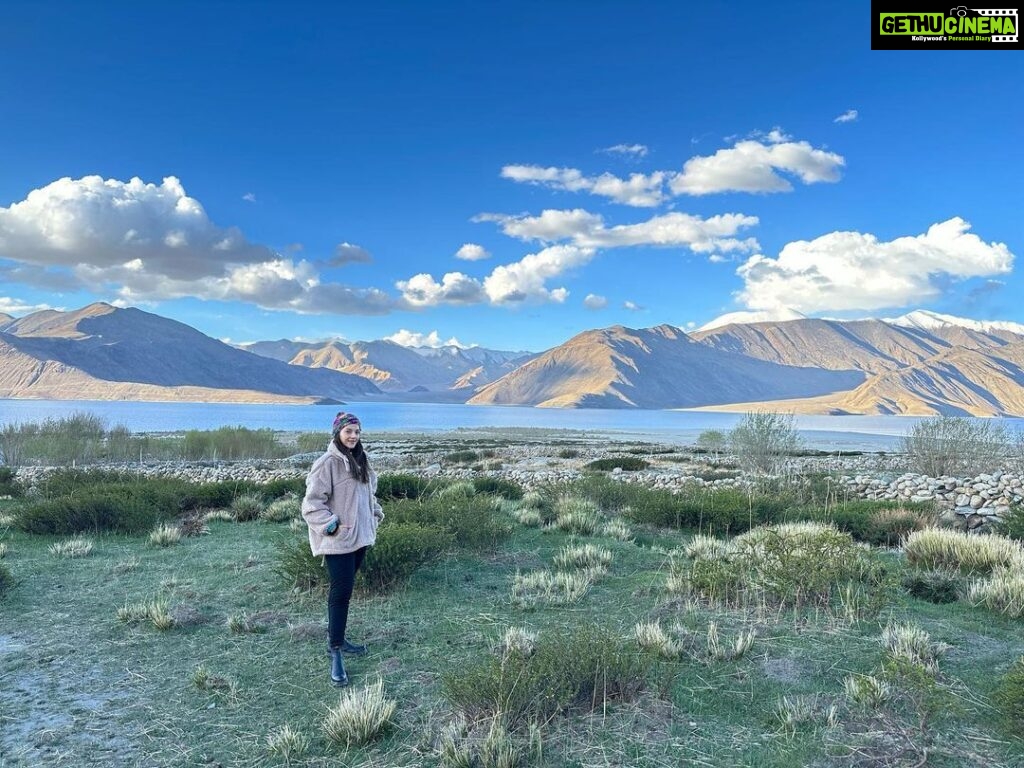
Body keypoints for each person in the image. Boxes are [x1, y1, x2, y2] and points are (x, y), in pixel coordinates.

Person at [301, 411, 384, 687]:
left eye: (357, 432)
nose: (353, 436)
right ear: (337, 432)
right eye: (348, 431)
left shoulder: (361, 460)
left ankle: (339, 639)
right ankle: (335, 650)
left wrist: (375, 515)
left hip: (360, 539)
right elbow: (311, 504)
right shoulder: (326, 464)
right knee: (340, 594)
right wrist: (331, 526)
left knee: (346, 594)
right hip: (339, 541)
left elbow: (369, 494)